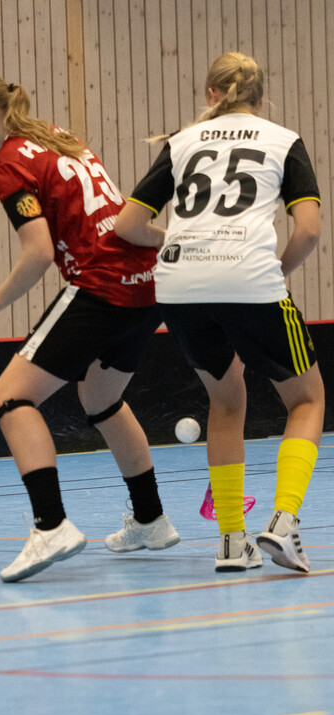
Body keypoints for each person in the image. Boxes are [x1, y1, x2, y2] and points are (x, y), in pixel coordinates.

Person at [0, 70, 178, 583]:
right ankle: (151, 518)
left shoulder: (7, 163)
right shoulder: (52, 135)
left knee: (9, 397)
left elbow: (39, 251)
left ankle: (51, 526)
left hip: (101, 285)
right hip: (147, 284)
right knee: (101, 397)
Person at [115, 52, 323, 574]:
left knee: (226, 400)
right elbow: (309, 230)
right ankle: (284, 522)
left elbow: (127, 225)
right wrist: (275, 270)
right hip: (249, 277)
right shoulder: (283, 140)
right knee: (307, 398)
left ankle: (232, 542)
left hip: (179, 284)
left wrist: (182, 239)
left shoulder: (182, 142)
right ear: (261, 97)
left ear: (211, 93)